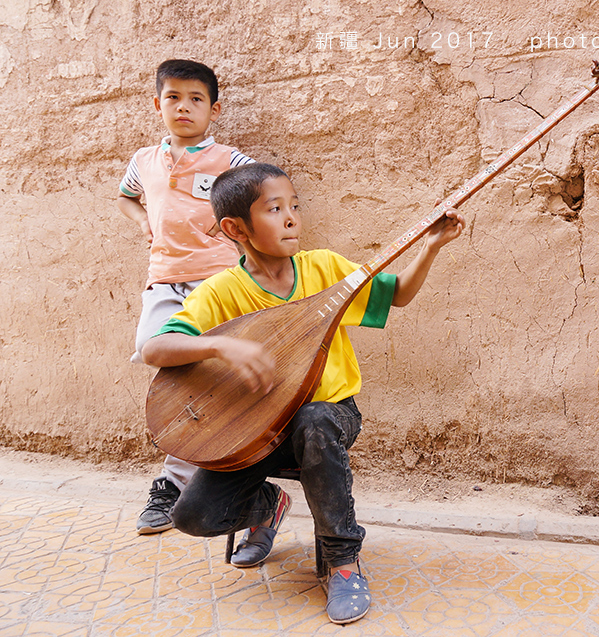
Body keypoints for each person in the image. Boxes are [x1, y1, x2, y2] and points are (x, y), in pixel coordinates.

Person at [141, 162, 465, 624]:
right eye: (275, 209)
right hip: (256, 432)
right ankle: (268, 504)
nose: (292, 217)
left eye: (295, 205)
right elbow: (155, 348)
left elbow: (396, 295)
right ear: (237, 228)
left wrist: (431, 245)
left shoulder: (324, 268)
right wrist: (219, 344)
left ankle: (342, 562)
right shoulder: (220, 293)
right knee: (192, 517)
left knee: (313, 421)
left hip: (331, 415)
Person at [117, 59, 254, 535]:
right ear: (158, 105)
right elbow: (126, 196)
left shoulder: (229, 160)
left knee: (215, 375)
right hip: (163, 280)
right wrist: (145, 226)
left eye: (196, 99)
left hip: (216, 284)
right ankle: (186, 479)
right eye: (173, 97)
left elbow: (261, 189)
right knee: (165, 362)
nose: (184, 107)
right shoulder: (143, 161)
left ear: (213, 110)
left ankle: (175, 484)